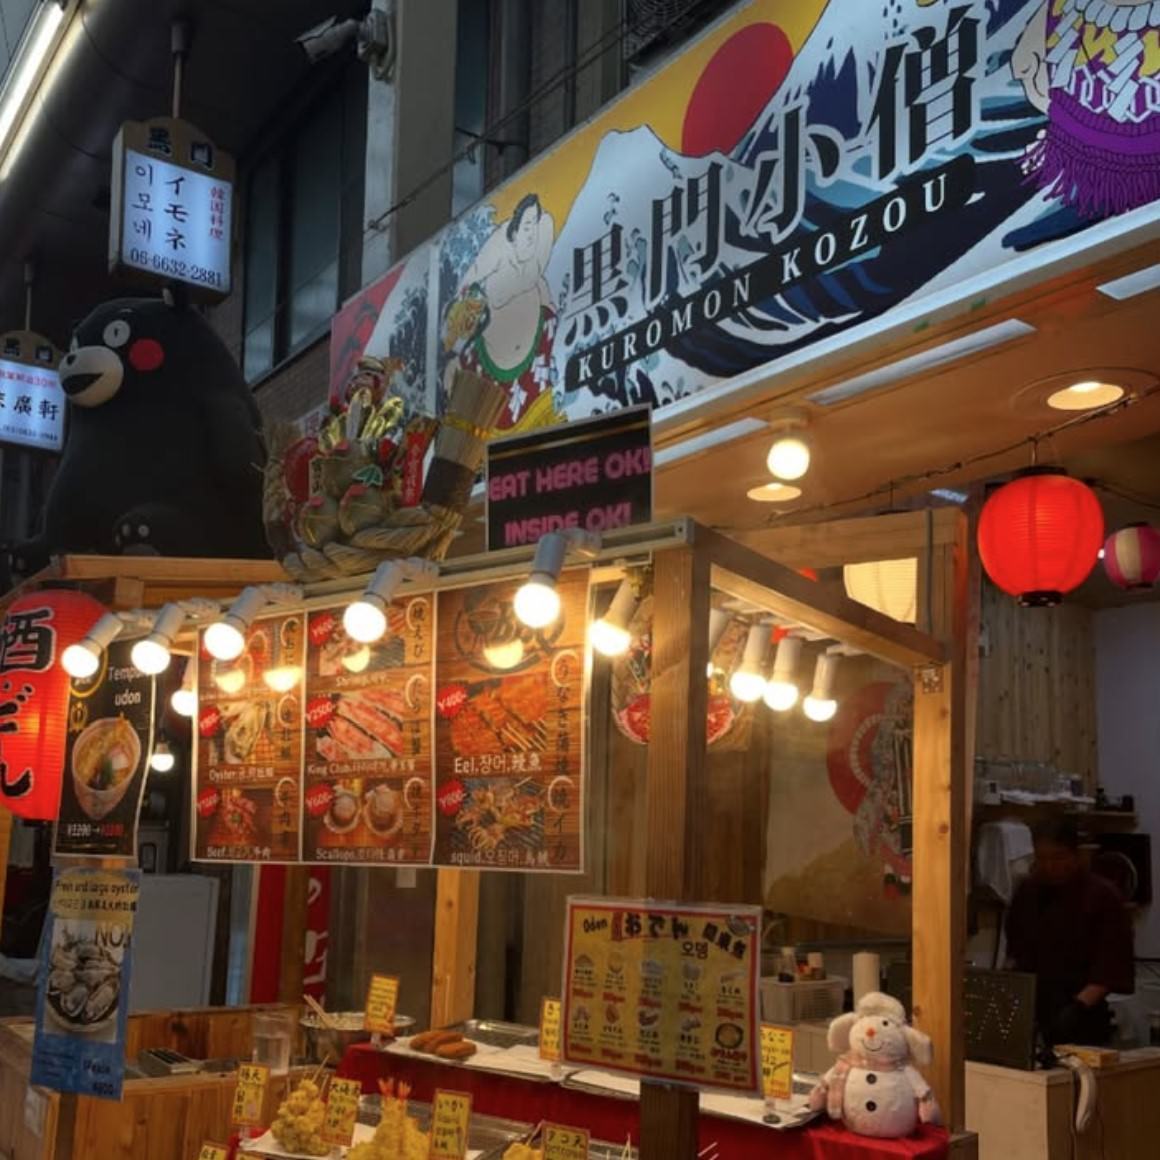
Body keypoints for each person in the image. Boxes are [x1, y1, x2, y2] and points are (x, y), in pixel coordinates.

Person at [1005, 816, 1134, 1048]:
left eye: (1058, 857)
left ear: (1076, 854)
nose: (1050, 866)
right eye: (1042, 858)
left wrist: (1077, 1008)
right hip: (1033, 1007)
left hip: (1083, 1013)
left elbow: (1110, 967)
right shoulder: (1028, 892)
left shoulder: (1102, 896)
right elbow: (1016, 951)